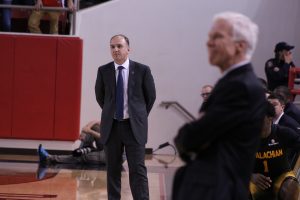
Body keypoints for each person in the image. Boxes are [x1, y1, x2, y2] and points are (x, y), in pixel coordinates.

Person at [172, 12, 266, 200]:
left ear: (240, 46)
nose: (209, 43)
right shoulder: (232, 82)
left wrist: (188, 135)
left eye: (217, 37)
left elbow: (192, 136)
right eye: (209, 37)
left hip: (217, 191)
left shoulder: (240, 86)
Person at [95, 34, 156, 200]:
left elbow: (150, 98)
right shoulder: (103, 70)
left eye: (119, 46)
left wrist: (137, 116)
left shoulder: (143, 70)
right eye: (112, 46)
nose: (116, 50)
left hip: (133, 127)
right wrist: (112, 113)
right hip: (112, 127)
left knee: (137, 169)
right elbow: (101, 98)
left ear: (128, 49)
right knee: (113, 170)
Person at [250, 101, 300, 200]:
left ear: (270, 118)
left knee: (290, 188)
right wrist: (250, 176)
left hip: (281, 176)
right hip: (256, 179)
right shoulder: (245, 137)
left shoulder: (282, 132)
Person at [38, 120, 106, 165]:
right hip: (106, 148)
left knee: (82, 157)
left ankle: (49, 158)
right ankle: (84, 148)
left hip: (109, 157)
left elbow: (106, 138)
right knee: (95, 127)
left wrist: (89, 131)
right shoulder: (112, 115)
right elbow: (97, 121)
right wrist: (85, 129)